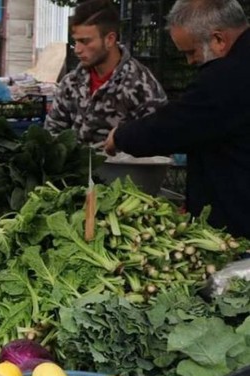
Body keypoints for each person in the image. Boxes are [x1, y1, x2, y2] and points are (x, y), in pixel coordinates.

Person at [105, 0, 250, 238]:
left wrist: (121, 136)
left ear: (218, 40)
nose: (189, 62)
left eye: (191, 52)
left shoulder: (230, 76)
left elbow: (177, 125)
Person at [45, 0, 166, 145]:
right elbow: (51, 135)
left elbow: (157, 145)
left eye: (85, 41)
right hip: (75, 166)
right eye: (76, 41)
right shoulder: (71, 83)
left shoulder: (141, 85)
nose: (77, 49)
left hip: (123, 167)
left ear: (109, 40)